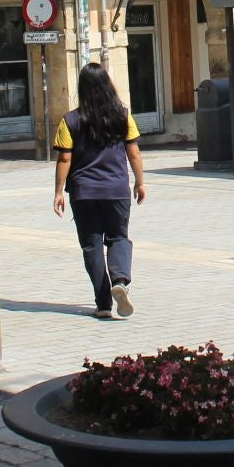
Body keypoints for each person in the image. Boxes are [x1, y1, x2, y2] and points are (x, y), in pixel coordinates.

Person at [52, 63, 148, 319]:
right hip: (116, 189)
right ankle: (120, 280)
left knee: (92, 246)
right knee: (118, 237)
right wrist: (140, 182)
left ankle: (103, 304)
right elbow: (134, 152)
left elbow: (64, 159)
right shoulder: (123, 116)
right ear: (108, 85)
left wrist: (59, 191)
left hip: (83, 193)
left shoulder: (69, 120)